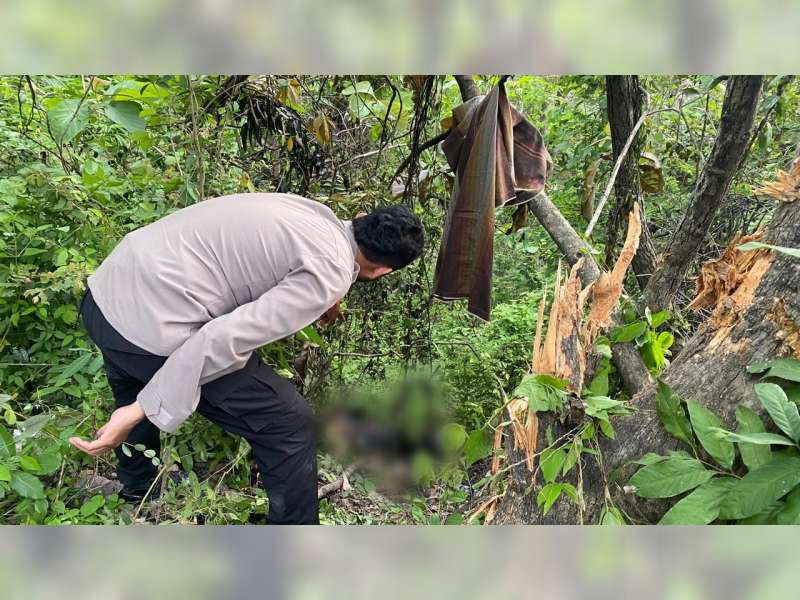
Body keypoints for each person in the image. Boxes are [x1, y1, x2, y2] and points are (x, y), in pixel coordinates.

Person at [69, 193, 424, 524]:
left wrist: (327, 295)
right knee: (289, 422)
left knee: (136, 375)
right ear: (381, 272)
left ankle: (137, 488)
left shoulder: (314, 213)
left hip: (108, 295)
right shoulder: (326, 274)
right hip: (150, 328)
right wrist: (140, 410)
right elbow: (220, 337)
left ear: (361, 219)